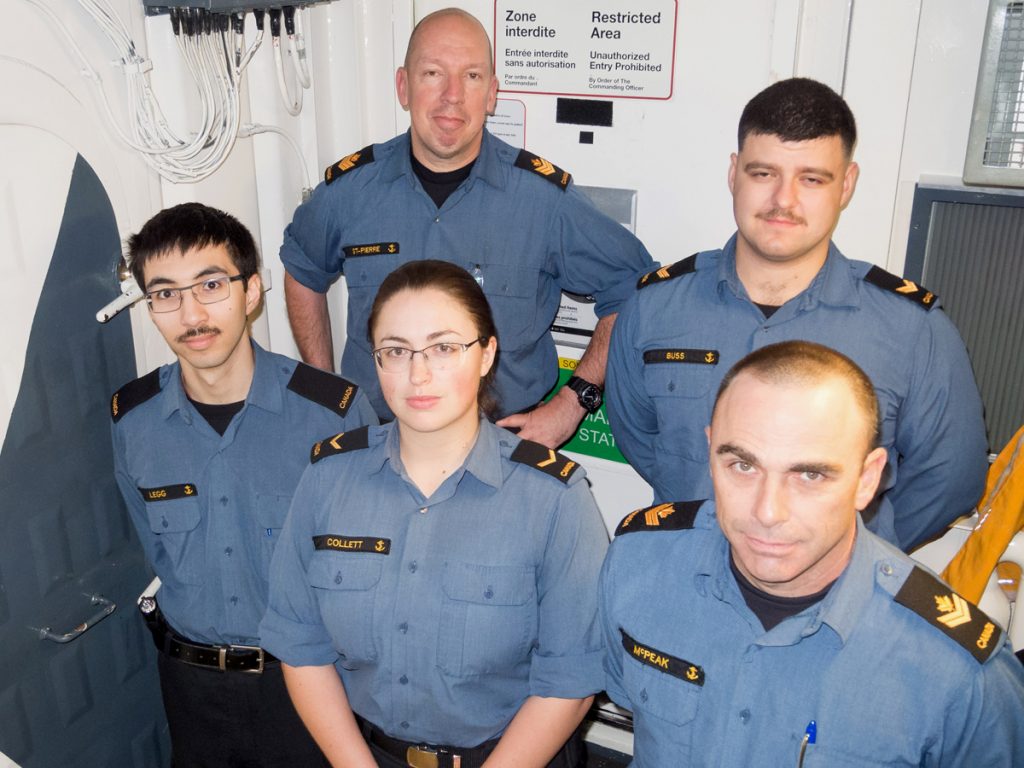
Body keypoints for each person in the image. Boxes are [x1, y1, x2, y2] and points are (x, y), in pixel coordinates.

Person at [600, 340, 1024, 767]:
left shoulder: (959, 670)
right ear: (710, 454)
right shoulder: (638, 568)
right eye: (743, 466)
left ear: (867, 479)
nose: (767, 512)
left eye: (809, 474)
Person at [606, 77, 986, 552]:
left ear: (846, 185)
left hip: (835, 611)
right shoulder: (654, 308)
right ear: (733, 174)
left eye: (811, 179)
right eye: (763, 173)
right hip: (685, 582)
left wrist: (850, 556)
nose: (783, 201)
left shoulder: (912, 329)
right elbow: (640, 439)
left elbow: (951, 478)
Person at [259, 260, 608, 767]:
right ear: (376, 361)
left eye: (444, 348)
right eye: (396, 351)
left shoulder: (553, 497)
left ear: (487, 354)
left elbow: (570, 681)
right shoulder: (328, 478)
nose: (418, 374)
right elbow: (300, 643)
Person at [280, 7, 653, 447]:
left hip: (502, 445)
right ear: (403, 87)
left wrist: (574, 402)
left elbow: (637, 287)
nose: (452, 95)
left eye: (472, 77)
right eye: (433, 73)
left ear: (491, 95)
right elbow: (303, 268)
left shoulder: (543, 202)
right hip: (377, 444)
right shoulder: (349, 193)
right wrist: (329, 393)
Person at [109, 203, 376, 767]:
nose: (190, 313)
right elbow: (155, 549)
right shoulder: (133, 424)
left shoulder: (332, 416)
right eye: (165, 294)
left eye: (210, 285)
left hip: (306, 685)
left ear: (252, 292)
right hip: (190, 686)